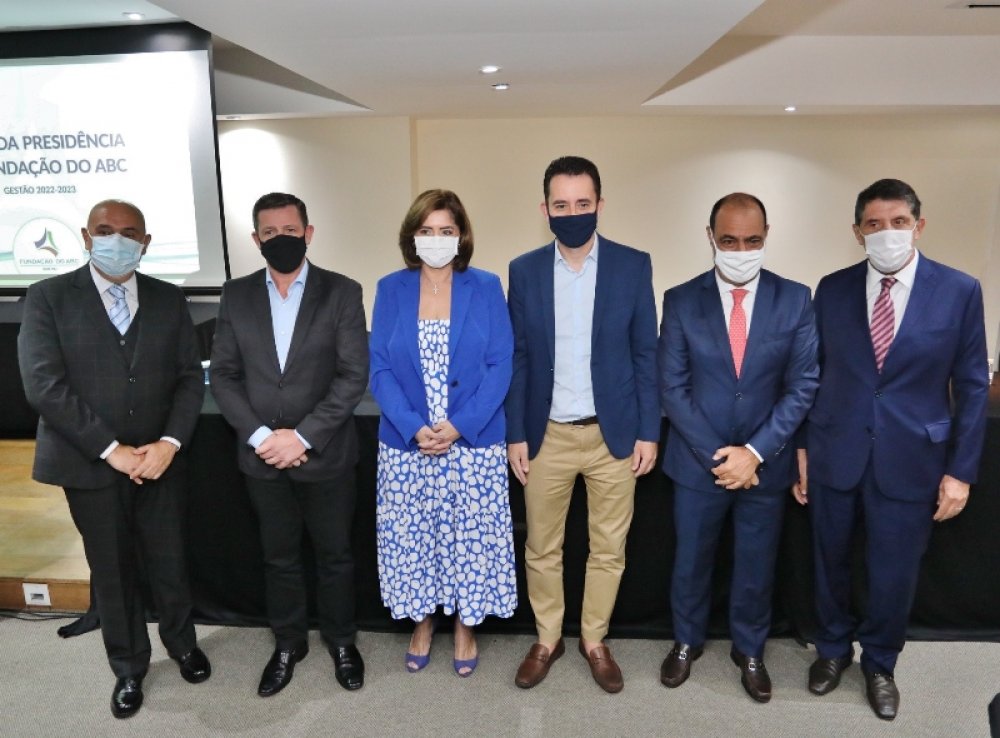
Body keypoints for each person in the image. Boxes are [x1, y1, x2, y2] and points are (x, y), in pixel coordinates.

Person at [796, 178, 988, 720]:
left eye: (898, 222)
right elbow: (813, 374)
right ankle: (832, 650)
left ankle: (880, 663)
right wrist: (803, 447)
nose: (887, 233)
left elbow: (972, 385)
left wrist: (961, 472)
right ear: (857, 232)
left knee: (894, 571)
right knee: (829, 561)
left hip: (913, 458)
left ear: (918, 226)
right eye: (874, 224)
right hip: (835, 451)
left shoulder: (959, 290)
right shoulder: (832, 289)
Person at [18, 199, 210, 719]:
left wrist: (169, 443)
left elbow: (189, 379)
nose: (116, 240)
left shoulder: (169, 298)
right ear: (86, 237)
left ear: (145, 242)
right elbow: (44, 386)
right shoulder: (47, 297)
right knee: (112, 569)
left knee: (170, 560)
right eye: (105, 231)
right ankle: (128, 667)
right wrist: (111, 450)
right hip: (89, 463)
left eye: (129, 232)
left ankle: (183, 644)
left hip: (159, 460)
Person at [657, 193, 819, 702]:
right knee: (690, 562)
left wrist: (754, 453)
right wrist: (722, 457)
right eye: (729, 240)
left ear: (766, 237)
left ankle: (749, 649)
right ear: (710, 237)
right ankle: (686, 641)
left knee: (756, 564)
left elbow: (802, 385)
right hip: (697, 462)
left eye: (752, 240)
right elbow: (673, 389)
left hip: (764, 466)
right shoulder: (681, 300)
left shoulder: (796, 299)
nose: (741, 250)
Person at [506, 156, 659, 693]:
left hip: (612, 436)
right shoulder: (524, 270)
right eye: (561, 204)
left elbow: (645, 353)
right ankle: (547, 639)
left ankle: (595, 640)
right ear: (545, 209)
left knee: (608, 549)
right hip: (545, 434)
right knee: (541, 548)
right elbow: (519, 358)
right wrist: (516, 433)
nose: (572, 213)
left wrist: (648, 430)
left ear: (600, 204)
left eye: (582, 203)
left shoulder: (633, 265)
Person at [210, 192, 369, 696]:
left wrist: (301, 437)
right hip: (261, 459)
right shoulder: (235, 295)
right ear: (256, 239)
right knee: (278, 558)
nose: (281, 239)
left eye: (291, 230)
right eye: (270, 233)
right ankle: (288, 644)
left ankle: (342, 642)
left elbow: (352, 375)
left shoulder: (342, 291)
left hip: (325, 454)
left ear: (309, 233)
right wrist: (263, 438)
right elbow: (225, 376)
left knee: (335, 556)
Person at [369, 189, 516, 677]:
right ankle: (422, 622)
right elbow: (380, 368)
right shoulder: (390, 288)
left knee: (467, 539)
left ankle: (466, 626)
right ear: (412, 237)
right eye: (427, 231)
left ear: (461, 235)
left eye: (446, 231)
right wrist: (415, 427)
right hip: (407, 444)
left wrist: (458, 426)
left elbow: (500, 364)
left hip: (471, 441)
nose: (436, 239)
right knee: (414, 539)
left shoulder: (486, 286)